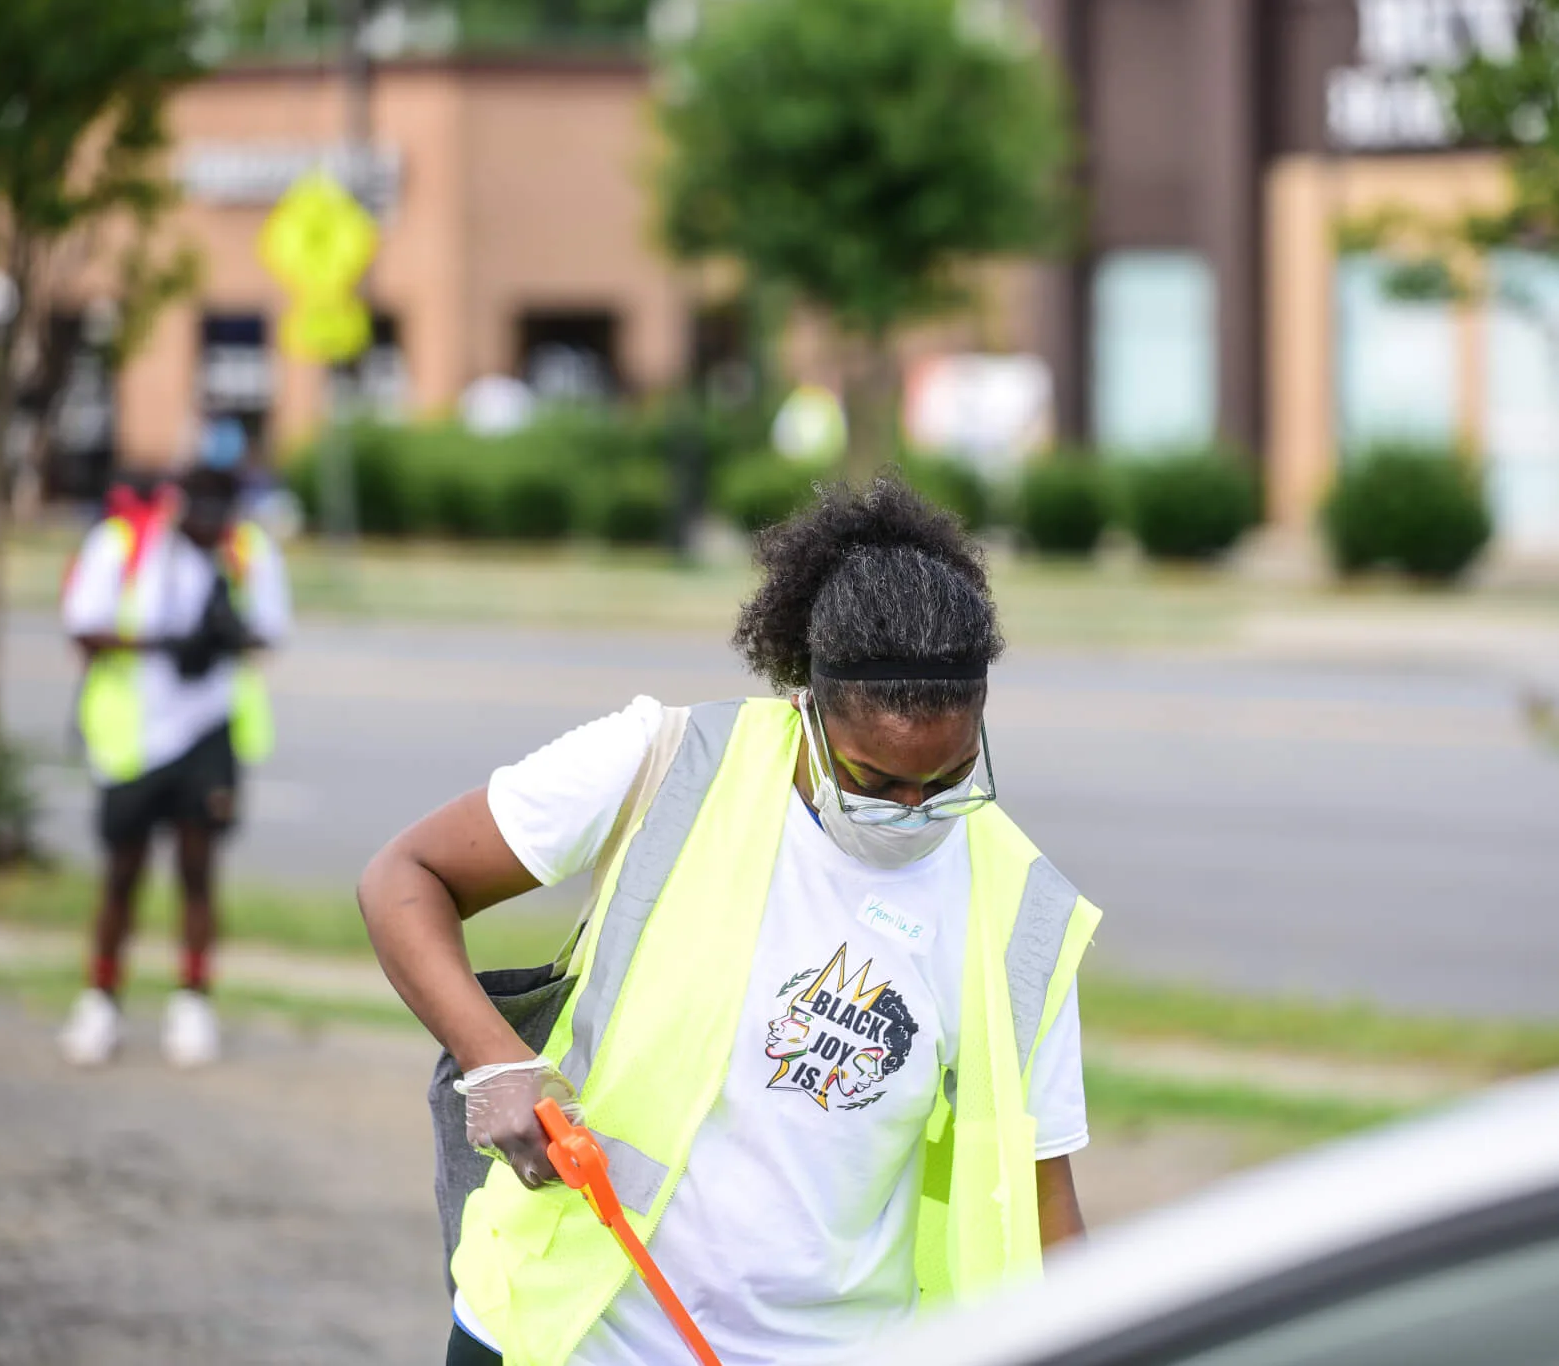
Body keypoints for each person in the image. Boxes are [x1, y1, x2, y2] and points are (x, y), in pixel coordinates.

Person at [359, 479, 1100, 1366]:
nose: (911, 810)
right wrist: (497, 1061)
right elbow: (407, 875)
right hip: (567, 1334)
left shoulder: (1023, 909)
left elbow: (1042, 1196)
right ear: (806, 706)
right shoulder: (667, 762)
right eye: (871, 778)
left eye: (945, 780)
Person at [56, 453, 292, 1067]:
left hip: (209, 733)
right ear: (179, 506)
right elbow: (83, 625)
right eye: (205, 514)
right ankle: (101, 1000)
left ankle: (192, 1002)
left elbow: (270, 629)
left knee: (198, 868)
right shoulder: (123, 545)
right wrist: (164, 643)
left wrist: (229, 633)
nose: (216, 526)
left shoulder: (245, 551)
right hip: (135, 738)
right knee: (122, 872)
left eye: (225, 514)